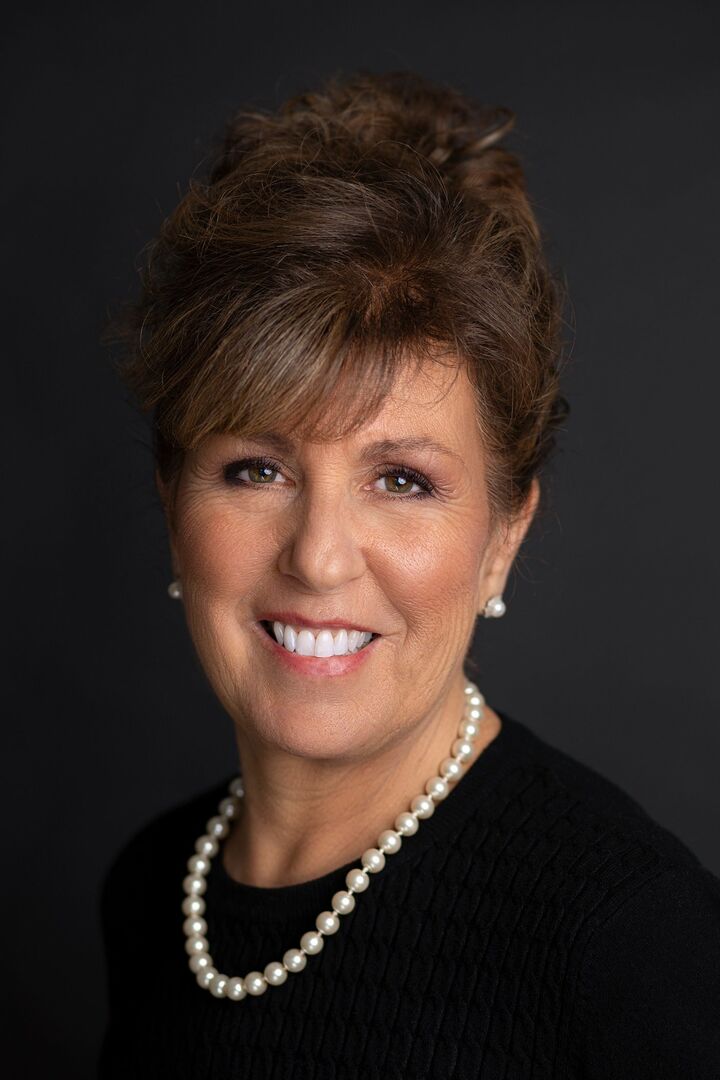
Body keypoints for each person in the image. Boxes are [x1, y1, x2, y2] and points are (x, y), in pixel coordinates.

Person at [98, 70, 720, 1078]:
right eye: (256, 470)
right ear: (173, 507)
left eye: (402, 480)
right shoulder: (151, 889)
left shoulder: (628, 938)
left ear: (503, 537)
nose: (318, 556)